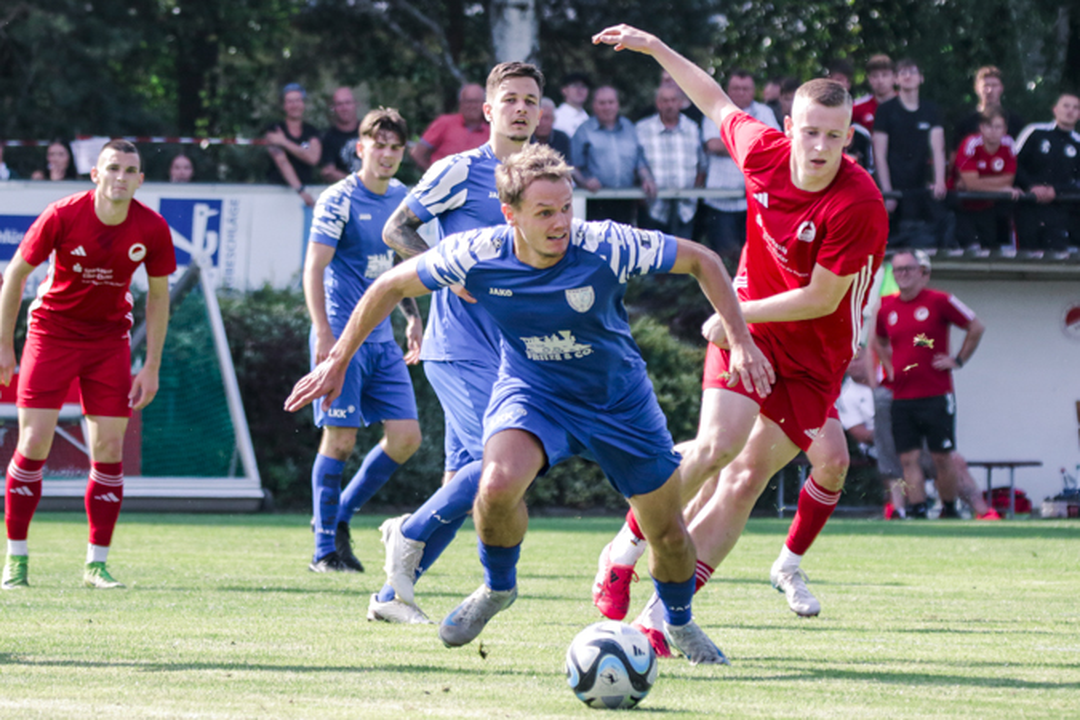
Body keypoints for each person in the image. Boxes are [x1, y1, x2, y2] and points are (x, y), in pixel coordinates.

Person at [285, 142, 773, 665]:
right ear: (510, 214)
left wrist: (741, 340)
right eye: (544, 212)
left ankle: (678, 622)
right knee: (493, 487)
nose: (561, 222)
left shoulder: (607, 243)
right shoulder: (475, 252)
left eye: (566, 207)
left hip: (619, 402)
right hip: (534, 393)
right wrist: (336, 360)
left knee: (668, 535)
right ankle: (498, 588)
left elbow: (704, 260)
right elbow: (387, 285)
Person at [590, 24, 888, 651]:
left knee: (746, 478)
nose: (819, 146)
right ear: (788, 123)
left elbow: (821, 298)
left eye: (834, 136)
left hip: (813, 356)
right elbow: (714, 99)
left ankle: (662, 616)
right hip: (749, 326)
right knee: (714, 447)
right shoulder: (762, 151)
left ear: (849, 137)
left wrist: (738, 311)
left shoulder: (859, 203)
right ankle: (621, 551)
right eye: (809, 131)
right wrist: (657, 49)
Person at [372, 62, 545, 624]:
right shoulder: (458, 170)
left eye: (530, 101)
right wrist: (450, 273)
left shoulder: (544, 180)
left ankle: (393, 596)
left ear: (540, 113)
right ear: (490, 110)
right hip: (458, 345)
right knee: (502, 469)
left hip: (512, 355)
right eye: (511, 99)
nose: (521, 108)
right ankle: (407, 530)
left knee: (468, 486)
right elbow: (396, 228)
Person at [0, 140, 176, 591]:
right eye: (112, 168)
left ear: (140, 179)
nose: (121, 176)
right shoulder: (62, 214)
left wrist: (151, 365)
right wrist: (4, 346)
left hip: (108, 342)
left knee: (110, 451)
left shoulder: (152, 228)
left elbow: (159, 297)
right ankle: (15, 558)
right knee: (35, 442)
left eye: (130, 170)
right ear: (95, 175)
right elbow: (16, 275)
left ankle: (96, 563)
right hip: (51, 334)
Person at [302, 108, 424, 573]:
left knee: (406, 438)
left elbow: (400, 266)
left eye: (396, 147)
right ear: (361, 148)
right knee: (340, 440)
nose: (388, 154)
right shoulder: (338, 199)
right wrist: (325, 334)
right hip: (344, 339)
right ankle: (323, 550)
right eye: (380, 145)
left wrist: (412, 316)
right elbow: (314, 268)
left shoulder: (403, 199)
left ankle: (339, 517)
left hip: (384, 339)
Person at [870, 250, 987, 520]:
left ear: (924, 273)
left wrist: (958, 360)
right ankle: (917, 508)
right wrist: (890, 368)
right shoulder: (886, 306)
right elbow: (880, 341)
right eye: (898, 270)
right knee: (908, 458)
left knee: (941, 457)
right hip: (901, 395)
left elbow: (976, 326)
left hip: (936, 393)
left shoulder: (940, 300)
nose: (903, 275)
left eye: (909, 269)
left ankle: (948, 507)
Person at [699, 69, 780, 263]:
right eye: (736, 88)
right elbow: (713, 144)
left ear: (753, 91)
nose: (740, 92)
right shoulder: (715, 110)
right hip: (720, 200)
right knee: (723, 260)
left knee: (754, 259)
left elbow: (775, 145)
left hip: (754, 201)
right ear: (728, 89)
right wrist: (753, 146)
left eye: (745, 88)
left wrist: (732, 143)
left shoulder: (764, 112)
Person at [872, 59, 949, 250]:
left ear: (921, 78)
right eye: (903, 72)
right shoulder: (885, 111)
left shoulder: (931, 110)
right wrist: (888, 191)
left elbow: (938, 149)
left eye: (912, 72)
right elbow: (879, 154)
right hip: (895, 185)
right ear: (896, 79)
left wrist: (939, 181)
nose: (908, 76)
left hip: (921, 186)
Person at [570, 85, 657, 225]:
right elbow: (573, 167)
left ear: (617, 105)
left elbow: (639, 161)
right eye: (602, 103)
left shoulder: (629, 127)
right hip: (596, 200)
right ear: (594, 105)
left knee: (624, 243)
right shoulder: (584, 131)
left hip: (626, 200)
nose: (607, 107)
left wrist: (647, 178)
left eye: (611, 102)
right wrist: (584, 182)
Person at [1013, 93, 1080, 257]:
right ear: (1055, 109)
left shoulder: (1078, 142)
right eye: (1066, 106)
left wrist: (1056, 191)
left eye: (1075, 107)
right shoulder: (1034, 132)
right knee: (1026, 258)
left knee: (1057, 259)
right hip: (1029, 207)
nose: (1070, 111)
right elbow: (1014, 164)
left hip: (1061, 211)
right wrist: (1031, 186)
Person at [635, 84, 707, 238]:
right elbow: (635, 163)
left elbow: (702, 166)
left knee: (682, 259)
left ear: (680, 103)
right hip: (652, 209)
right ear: (657, 103)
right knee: (652, 259)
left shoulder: (692, 128)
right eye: (664, 101)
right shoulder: (642, 128)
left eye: (673, 100)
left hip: (685, 209)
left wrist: (693, 194)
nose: (669, 105)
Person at [952, 108, 1021, 254]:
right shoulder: (971, 143)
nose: (993, 131)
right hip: (961, 207)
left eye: (998, 127)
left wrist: (979, 182)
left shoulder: (1009, 145)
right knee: (972, 250)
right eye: (989, 126)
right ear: (981, 128)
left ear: (1005, 129)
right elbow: (971, 185)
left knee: (990, 249)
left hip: (987, 206)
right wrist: (999, 188)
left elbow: (1008, 180)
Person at [264, 83, 322, 208]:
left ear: (303, 104)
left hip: (308, 191)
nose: (294, 105)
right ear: (284, 105)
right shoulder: (274, 129)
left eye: (298, 101)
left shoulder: (311, 131)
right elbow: (281, 161)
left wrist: (284, 142)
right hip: (276, 192)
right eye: (290, 101)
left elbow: (313, 158)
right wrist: (300, 190)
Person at [409, 84, 489, 173]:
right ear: (460, 103)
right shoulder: (444, 123)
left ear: (484, 105)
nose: (472, 106)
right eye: (468, 101)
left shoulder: (491, 133)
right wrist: (434, 175)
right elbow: (417, 152)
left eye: (476, 102)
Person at [952, 66, 1025, 150]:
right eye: (985, 86)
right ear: (977, 88)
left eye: (994, 85)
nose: (990, 90)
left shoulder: (1015, 121)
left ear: (1001, 88)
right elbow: (955, 157)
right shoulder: (965, 123)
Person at [319, 87, 363, 183]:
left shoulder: (368, 131)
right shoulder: (328, 138)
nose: (344, 108)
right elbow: (328, 172)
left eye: (348, 103)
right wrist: (360, 183)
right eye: (339, 104)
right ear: (333, 108)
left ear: (356, 104)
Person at [852, 55, 896, 134]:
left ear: (894, 77)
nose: (880, 81)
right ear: (869, 79)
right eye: (875, 76)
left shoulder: (906, 104)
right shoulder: (857, 107)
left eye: (885, 75)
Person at [552, 72, 591, 137]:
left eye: (583, 86)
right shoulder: (556, 117)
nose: (580, 90)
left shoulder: (587, 118)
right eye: (575, 85)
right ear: (564, 90)